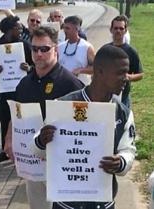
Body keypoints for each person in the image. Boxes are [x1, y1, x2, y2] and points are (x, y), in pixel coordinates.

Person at [34, 44, 136, 209]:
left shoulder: (123, 113)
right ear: (100, 72)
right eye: (120, 73)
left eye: (127, 72)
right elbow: (38, 150)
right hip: (66, 203)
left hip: (103, 202)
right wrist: (41, 141)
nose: (126, 77)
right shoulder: (63, 106)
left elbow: (128, 149)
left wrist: (121, 161)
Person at [4, 26, 84, 209]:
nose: (39, 53)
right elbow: (16, 113)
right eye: (34, 49)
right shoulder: (24, 83)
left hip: (59, 163)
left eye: (44, 49)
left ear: (55, 49)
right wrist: (9, 138)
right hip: (31, 164)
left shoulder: (70, 83)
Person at [0, 15, 33, 163]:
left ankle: (25, 151)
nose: (22, 30)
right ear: (10, 29)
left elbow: (36, 65)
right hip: (3, 92)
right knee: (5, 121)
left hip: (23, 92)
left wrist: (29, 68)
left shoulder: (25, 45)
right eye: (19, 28)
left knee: (24, 121)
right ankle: (5, 151)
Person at [109, 15, 143, 108]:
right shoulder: (105, 50)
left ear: (125, 30)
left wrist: (129, 77)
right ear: (111, 29)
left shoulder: (131, 51)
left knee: (123, 122)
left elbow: (140, 74)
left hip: (123, 97)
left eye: (121, 28)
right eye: (115, 28)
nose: (118, 31)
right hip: (106, 96)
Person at [58, 15, 95, 85]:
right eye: (64, 28)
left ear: (76, 29)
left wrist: (80, 70)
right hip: (63, 86)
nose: (65, 31)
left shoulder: (87, 47)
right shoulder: (60, 47)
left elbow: (95, 68)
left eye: (67, 28)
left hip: (80, 87)